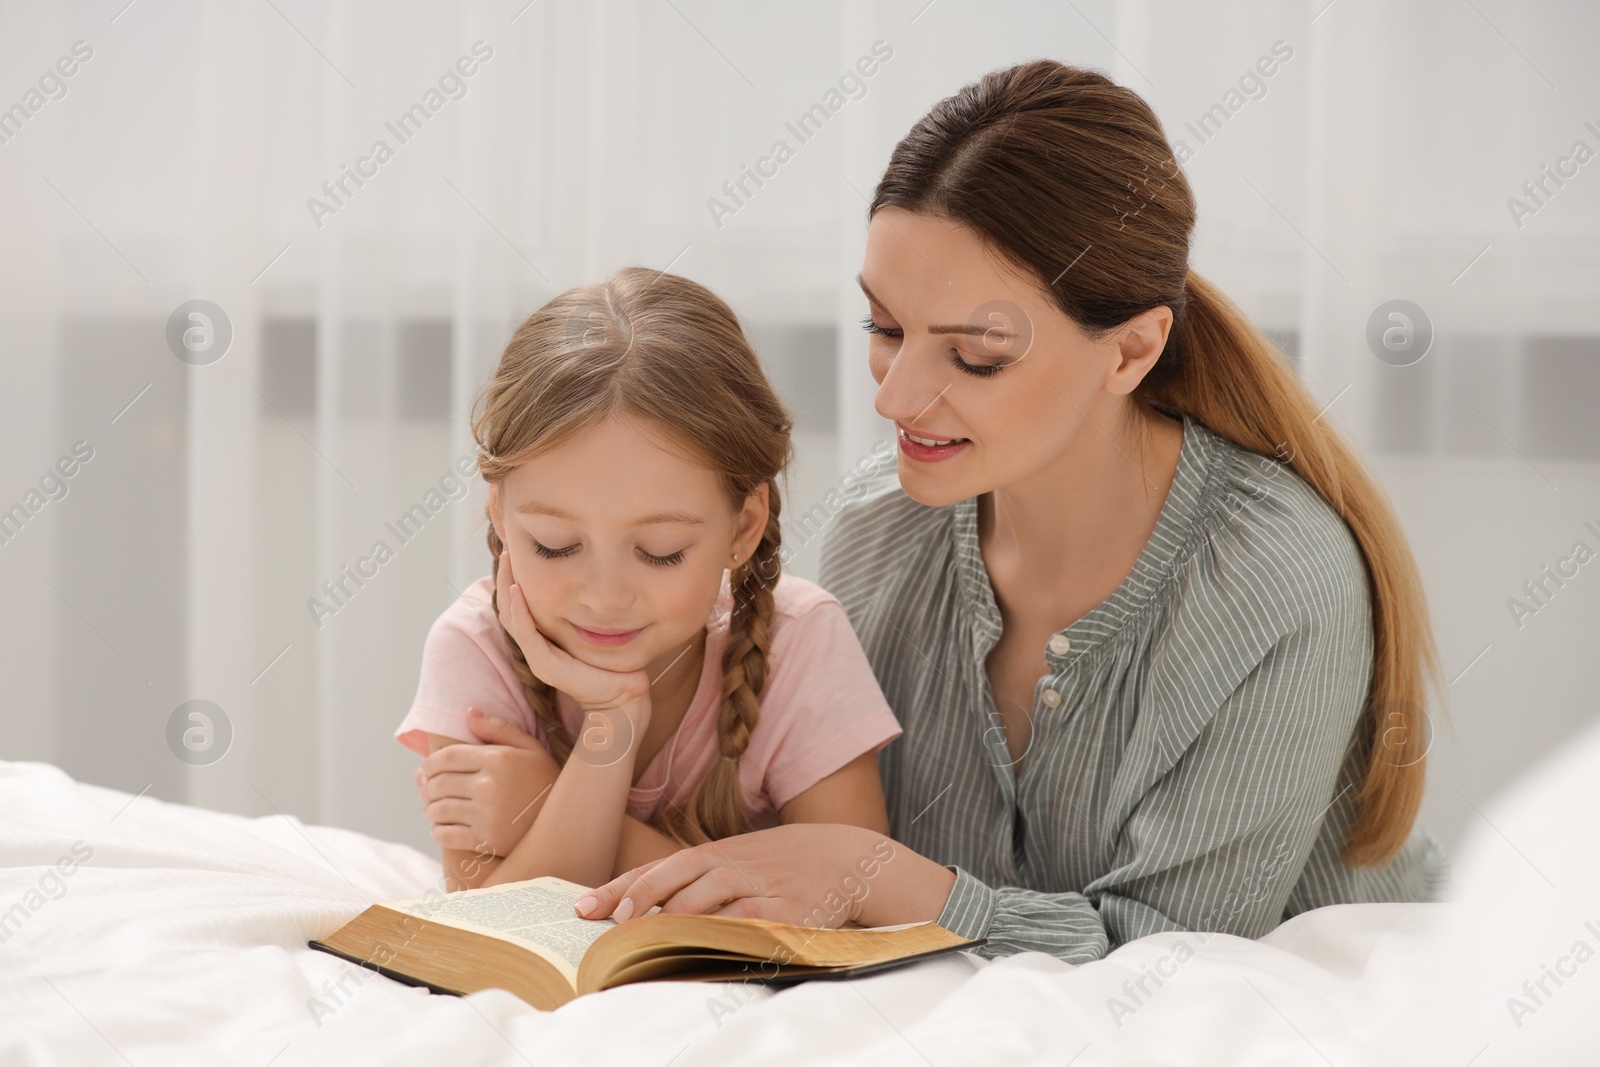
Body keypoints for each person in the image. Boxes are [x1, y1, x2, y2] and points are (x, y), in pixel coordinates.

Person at [573, 59, 1448, 962]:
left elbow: (1175, 954)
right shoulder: (879, 531)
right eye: (885, 328)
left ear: (1131, 351)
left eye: (978, 355)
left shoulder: (1276, 579)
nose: (897, 397)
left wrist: (884, 879)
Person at [398, 267, 902, 895]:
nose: (605, 596)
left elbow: (851, 904)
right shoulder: (473, 648)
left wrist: (559, 798)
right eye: (555, 546)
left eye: (660, 552)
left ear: (743, 526)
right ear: (498, 512)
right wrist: (614, 721)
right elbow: (492, 930)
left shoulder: (800, 641)